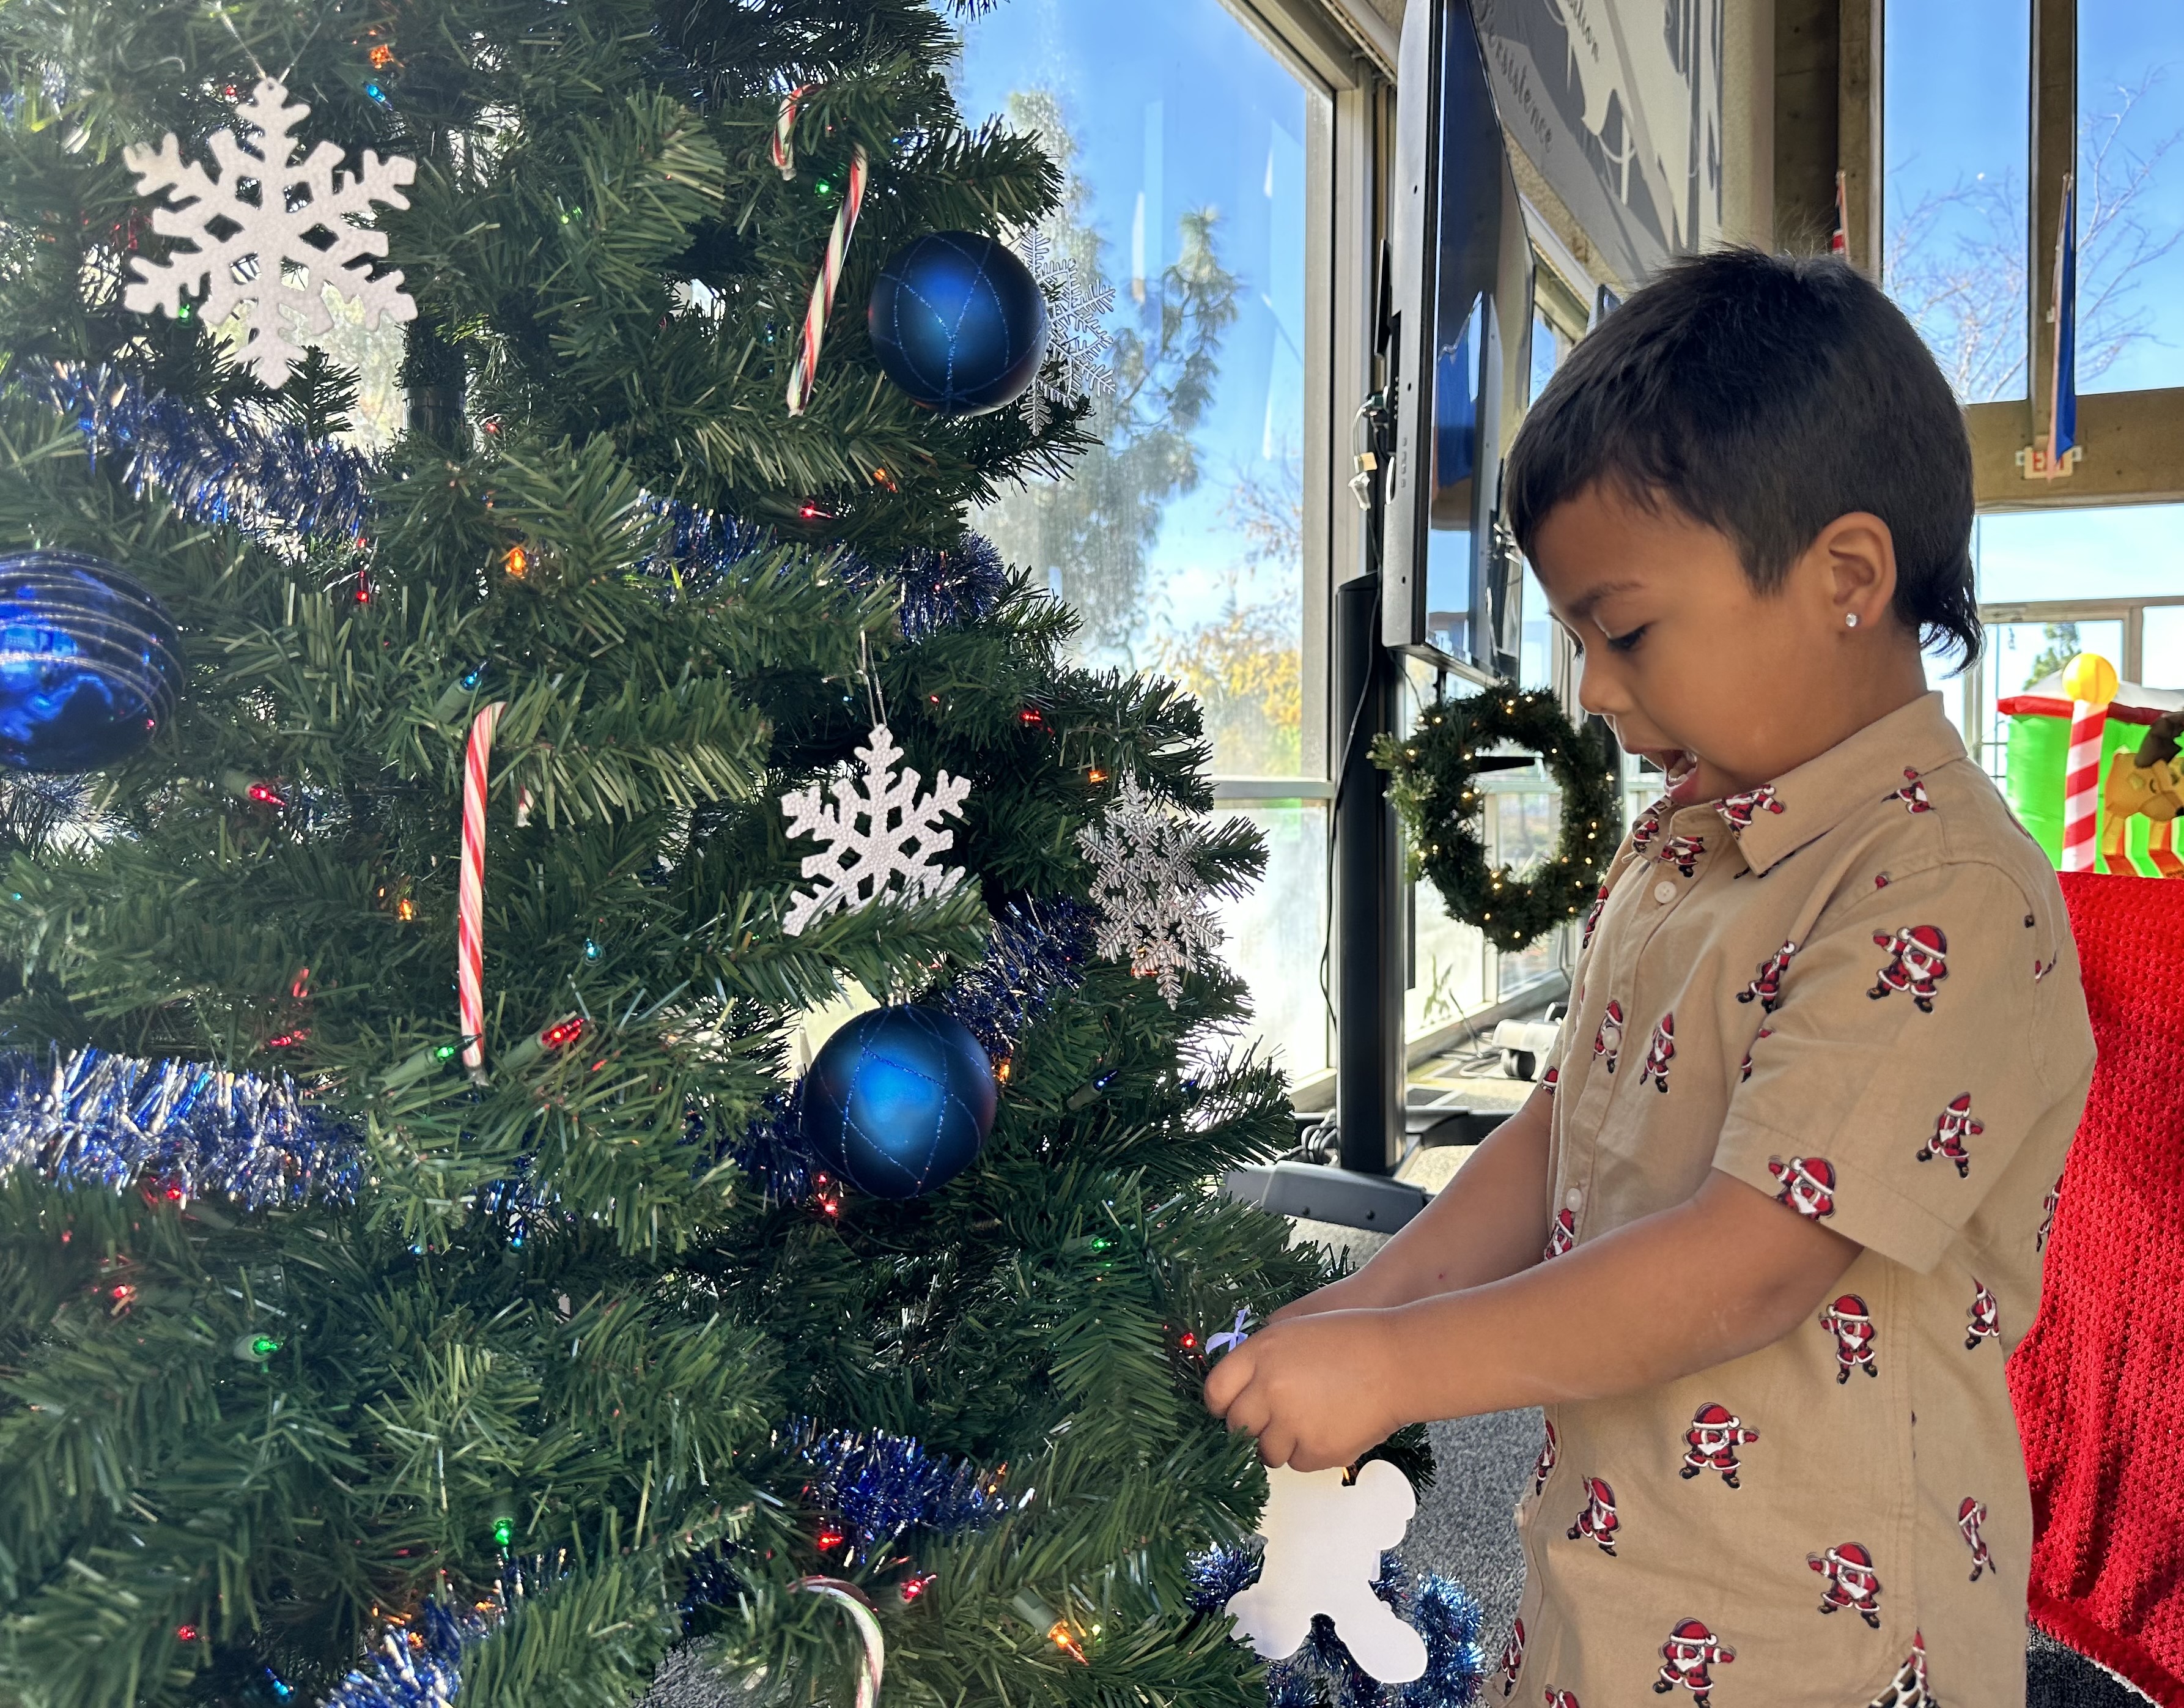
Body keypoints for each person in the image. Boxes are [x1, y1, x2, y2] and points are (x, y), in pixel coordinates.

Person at [1203, 248, 2095, 1708]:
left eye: (1622, 629)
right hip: (1611, 1566)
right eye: (1577, 640)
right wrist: (1361, 1309)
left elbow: (1748, 1265)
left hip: (1819, 1640)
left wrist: (1400, 1367)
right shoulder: (1685, 843)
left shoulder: (1941, 890)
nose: (1597, 690)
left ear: (1845, 578)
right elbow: (1561, 1127)